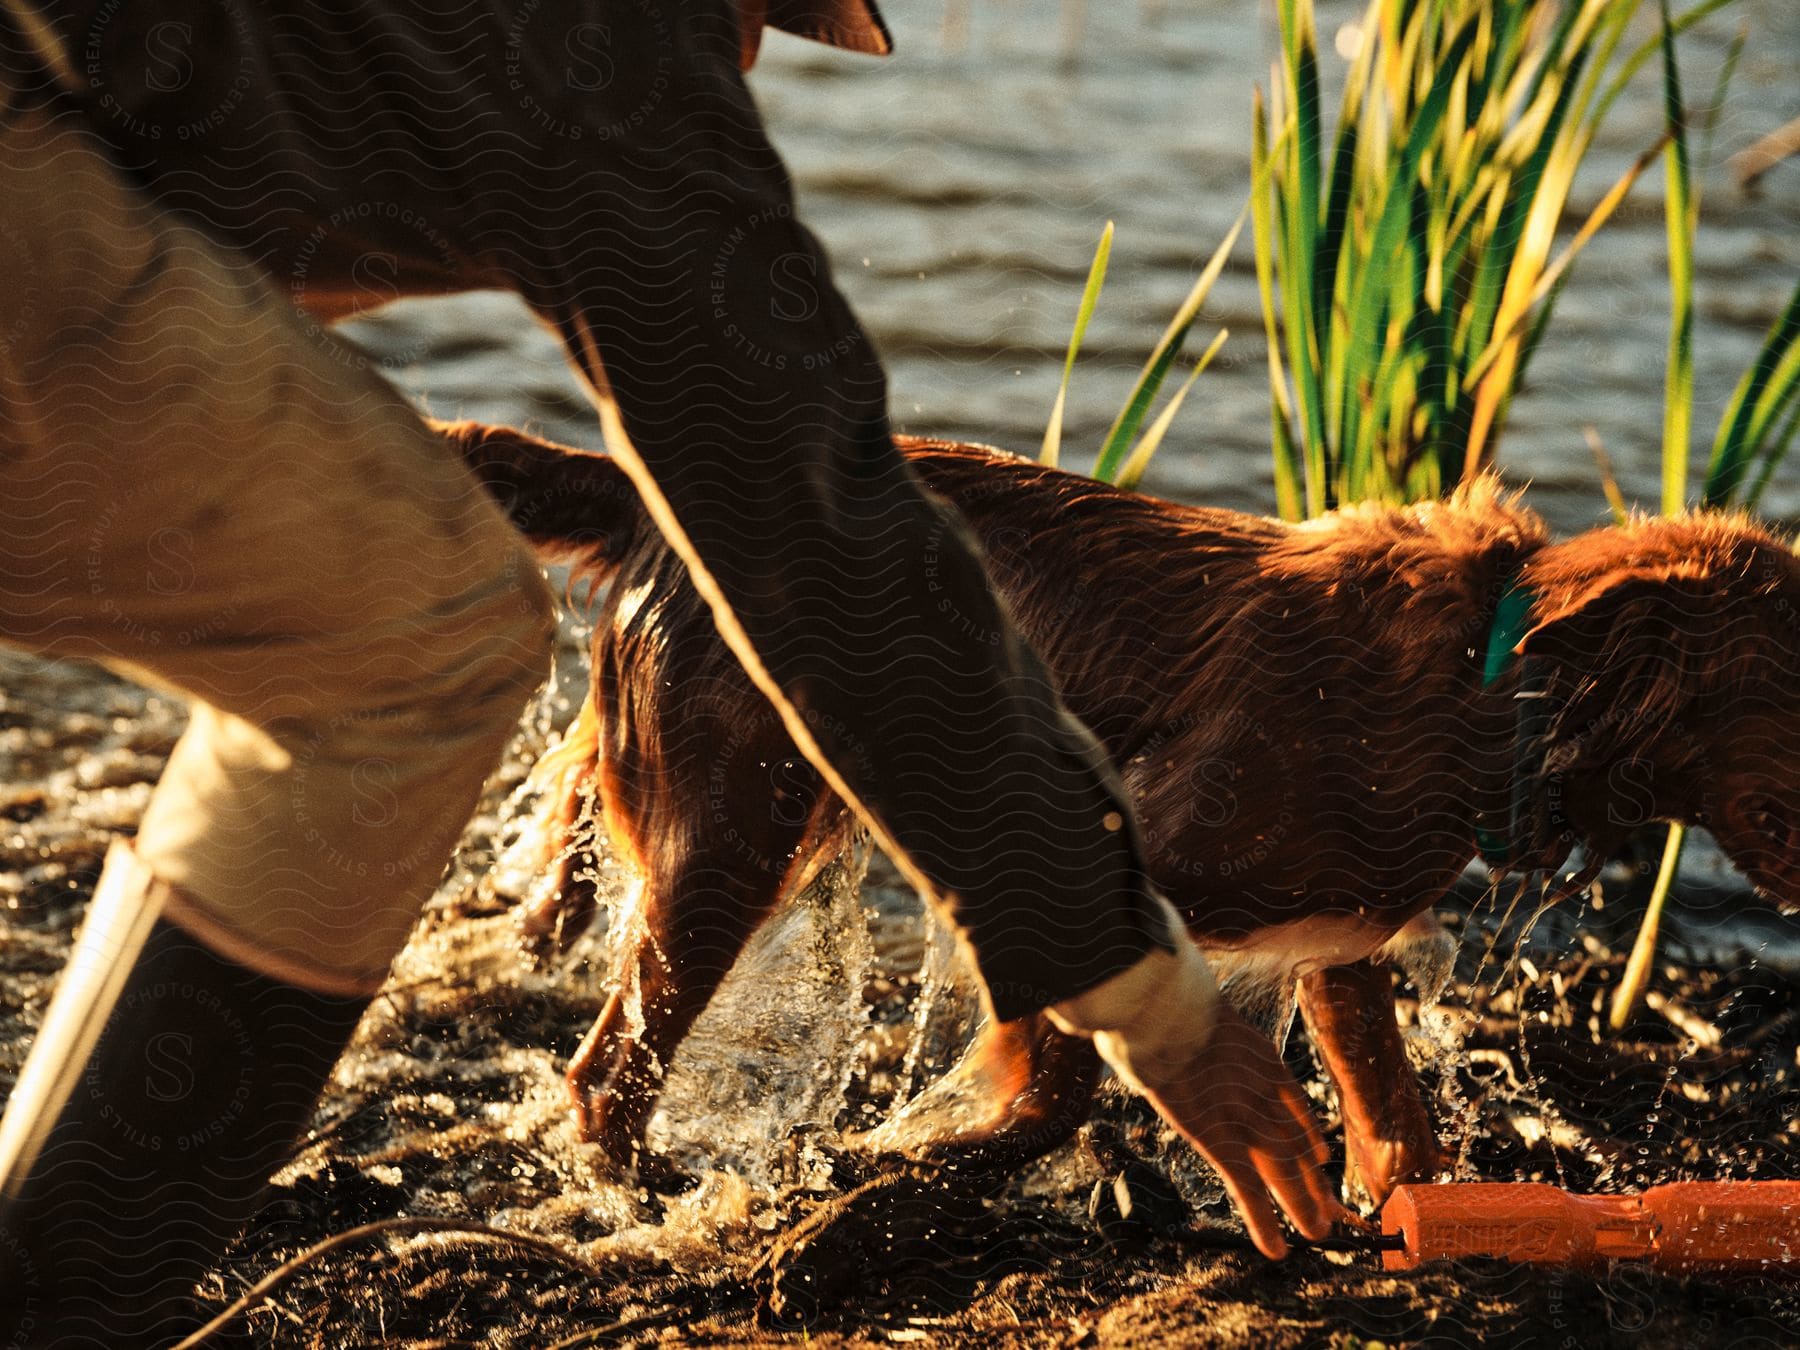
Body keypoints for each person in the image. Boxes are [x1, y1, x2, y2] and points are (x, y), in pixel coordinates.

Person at [0, 1, 1342, 1340]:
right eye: (772, 14)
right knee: (428, 630)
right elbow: (826, 554)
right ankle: (58, 1304)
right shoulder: (617, 47)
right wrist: (1155, 1005)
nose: (752, 61)